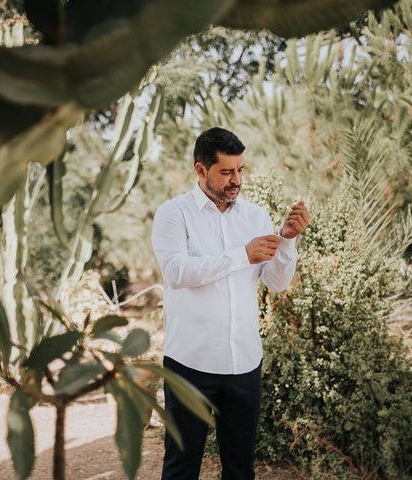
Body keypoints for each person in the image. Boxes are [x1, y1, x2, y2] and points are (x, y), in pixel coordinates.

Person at [151, 127, 309, 480]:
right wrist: (242, 254)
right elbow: (177, 271)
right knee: (181, 467)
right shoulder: (173, 214)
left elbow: (276, 281)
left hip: (244, 363)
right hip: (190, 363)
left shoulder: (254, 217)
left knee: (240, 469)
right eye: (226, 171)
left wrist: (287, 242)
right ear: (201, 170)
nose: (236, 179)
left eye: (240, 170)